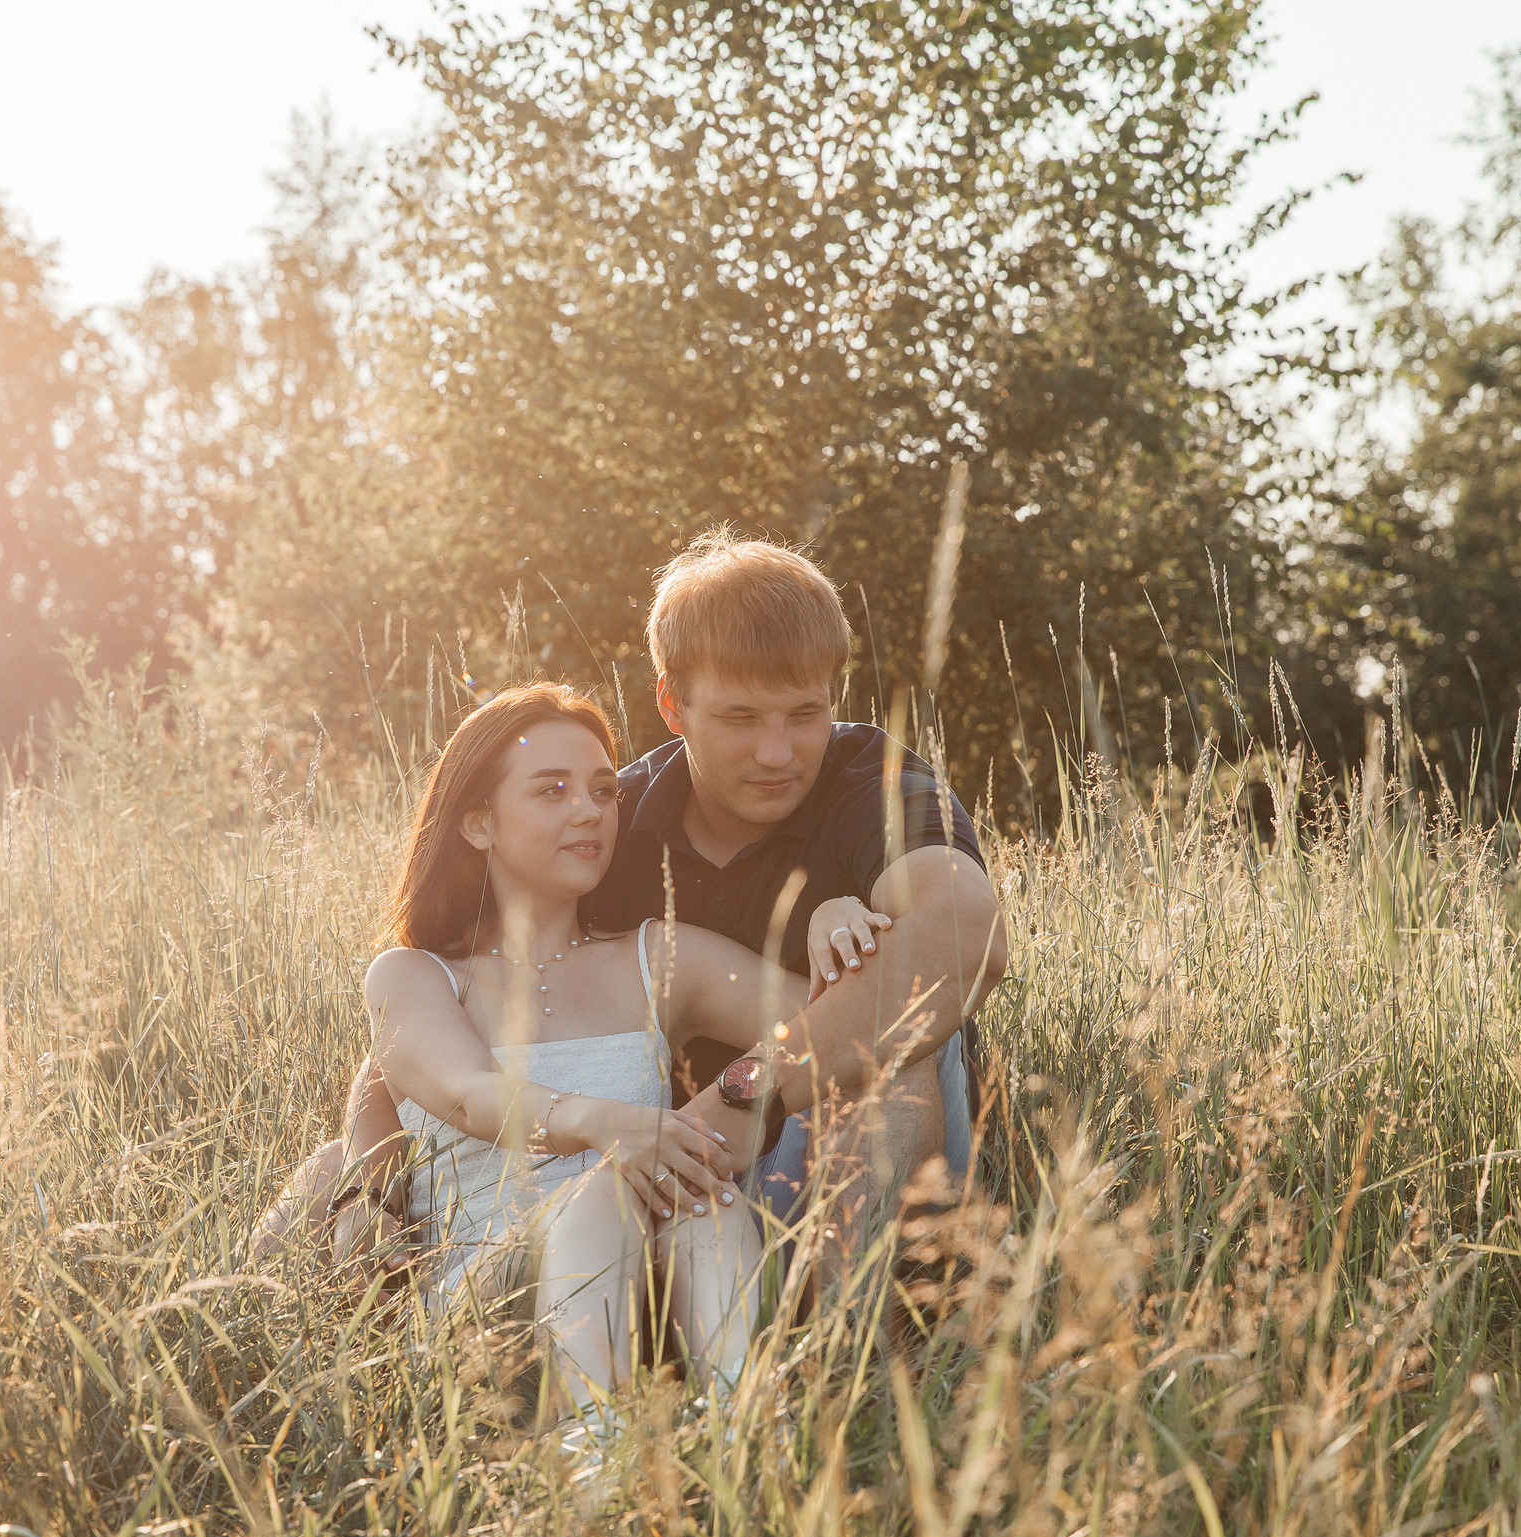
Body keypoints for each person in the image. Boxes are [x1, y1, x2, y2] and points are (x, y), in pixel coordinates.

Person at [294, 528, 1008, 1300]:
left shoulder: (872, 779)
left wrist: (744, 1094)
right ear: (672, 704)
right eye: (740, 718)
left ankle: (846, 1344)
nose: (778, 752)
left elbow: (963, 940)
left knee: (891, 1041)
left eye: (805, 714)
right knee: (328, 1173)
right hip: (675, 1164)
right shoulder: (604, 822)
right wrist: (368, 1185)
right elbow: (421, 1022)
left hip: (841, 1149)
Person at [326, 682, 880, 1415]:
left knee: (704, 1199)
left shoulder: (659, 958)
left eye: (602, 791)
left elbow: (838, 1028)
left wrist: (833, 917)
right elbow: (467, 1092)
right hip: (483, 1306)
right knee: (613, 1189)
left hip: (644, 1293)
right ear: (479, 823)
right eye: (552, 790)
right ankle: (589, 1444)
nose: (589, 810)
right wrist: (604, 1124)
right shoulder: (415, 976)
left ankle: (748, 1425)